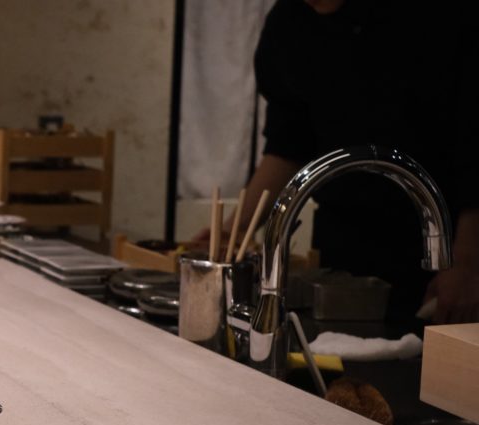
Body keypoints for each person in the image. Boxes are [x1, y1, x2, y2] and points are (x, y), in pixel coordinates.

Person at [203, 0, 479, 323]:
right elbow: (287, 144)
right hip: (341, 249)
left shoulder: (443, 15)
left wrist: (469, 262)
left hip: (440, 245)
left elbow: (473, 148)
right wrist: (233, 231)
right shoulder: (288, 22)